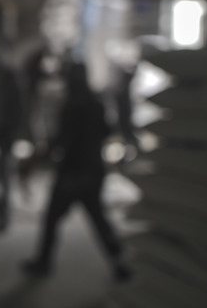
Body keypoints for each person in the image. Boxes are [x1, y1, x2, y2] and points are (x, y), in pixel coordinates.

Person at [22, 62, 130, 281]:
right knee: (98, 219)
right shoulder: (97, 104)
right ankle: (120, 264)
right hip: (94, 170)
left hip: (72, 173)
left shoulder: (71, 106)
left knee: (52, 219)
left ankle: (43, 263)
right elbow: (108, 131)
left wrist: (36, 161)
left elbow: (61, 140)